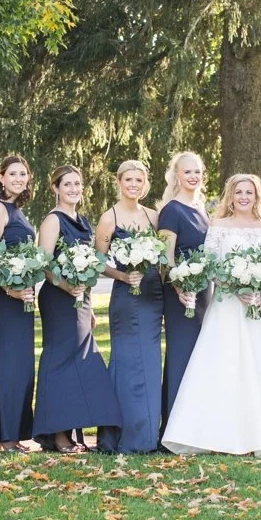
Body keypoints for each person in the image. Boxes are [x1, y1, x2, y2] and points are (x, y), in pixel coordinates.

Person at [162, 174, 261, 456]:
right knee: (227, 368)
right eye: (239, 192)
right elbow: (210, 266)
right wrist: (235, 286)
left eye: (250, 192)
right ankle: (221, 435)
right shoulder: (218, 226)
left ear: (258, 197)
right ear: (230, 196)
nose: (244, 197)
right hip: (227, 308)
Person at [33, 165, 122, 452]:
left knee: (83, 363)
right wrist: (66, 287)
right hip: (58, 298)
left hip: (79, 299)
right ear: (56, 188)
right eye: (67, 184)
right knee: (60, 363)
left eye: (77, 184)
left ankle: (78, 429)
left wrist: (88, 306)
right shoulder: (53, 220)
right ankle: (57, 434)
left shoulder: (81, 219)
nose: (73, 189)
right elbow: (45, 263)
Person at [93, 159, 164, 453]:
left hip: (152, 295)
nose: (133, 185)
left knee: (149, 363)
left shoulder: (154, 217)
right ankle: (121, 436)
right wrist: (122, 274)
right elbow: (97, 262)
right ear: (119, 182)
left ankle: (148, 434)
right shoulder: (109, 218)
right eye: (128, 180)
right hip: (125, 295)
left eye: (139, 180)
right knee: (126, 362)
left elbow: (162, 258)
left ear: (145, 183)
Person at [0, 155, 38, 452]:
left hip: (21, 298)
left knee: (22, 365)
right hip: (3, 297)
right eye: (13, 173)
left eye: (23, 174)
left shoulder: (18, 211)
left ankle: (14, 434)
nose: (18, 178)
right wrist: (10, 290)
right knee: (6, 362)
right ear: (1, 177)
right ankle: (1, 438)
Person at [157, 151, 211, 422]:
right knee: (181, 353)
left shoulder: (203, 210)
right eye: (187, 171)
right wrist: (180, 288)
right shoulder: (171, 210)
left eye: (197, 172)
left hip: (203, 292)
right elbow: (165, 259)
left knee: (200, 356)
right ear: (176, 175)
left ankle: (196, 422)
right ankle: (173, 426)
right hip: (181, 294)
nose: (193, 176)